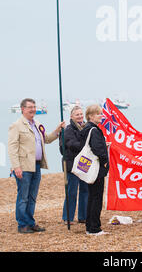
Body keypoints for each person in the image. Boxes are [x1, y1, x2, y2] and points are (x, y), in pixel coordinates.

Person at [8, 98, 65, 233]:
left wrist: (58, 130)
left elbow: (46, 139)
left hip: (37, 165)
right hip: (24, 166)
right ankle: (22, 225)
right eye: (30, 107)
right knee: (23, 197)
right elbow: (12, 148)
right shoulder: (16, 125)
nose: (33, 109)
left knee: (32, 196)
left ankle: (30, 222)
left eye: (34, 106)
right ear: (23, 109)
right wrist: (16, 167)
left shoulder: (37, 123)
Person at [79, 104, 109, 236]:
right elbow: (98, 150)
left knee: (92, 197)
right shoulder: (94, 130)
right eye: (98, 114)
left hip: (89, 168)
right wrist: (105, 162)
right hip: (96, 169)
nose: (101, 116)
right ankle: (94, 228)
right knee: (96, 197)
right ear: (91, 116)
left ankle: (89, 226)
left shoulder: (86, 129)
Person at [60, 105, 88, 225]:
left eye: (81, 114)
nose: (80, 116)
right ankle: (67, 217)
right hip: (71, 164)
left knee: (85, 190)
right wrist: (87, 145)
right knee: (71, 191)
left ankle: (83, 216)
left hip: (84, 163)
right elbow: (72, 144)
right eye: (77, 114)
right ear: (71, 116)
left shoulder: (86, 127)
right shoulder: (68, 130)